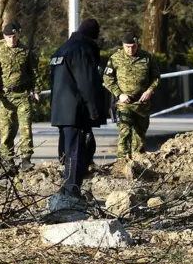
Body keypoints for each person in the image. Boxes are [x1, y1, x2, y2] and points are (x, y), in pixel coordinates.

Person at [49, 18, 106, 202]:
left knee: (68, 150)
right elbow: (87, 82)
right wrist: (95, 111)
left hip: (61, 110)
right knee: (77, 150)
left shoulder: (62, 49)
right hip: (76, 111)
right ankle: (71, 191)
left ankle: (68, 187)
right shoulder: (81, 50)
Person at [0, 22, 41, 173]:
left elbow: (34, 73)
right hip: (5, 96)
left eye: (14, 36)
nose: (12, 40)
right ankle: (8, 160)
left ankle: (26, 160)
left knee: (26, 128)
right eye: (9, 37)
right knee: (7, 129)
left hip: (22, 95)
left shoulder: (25, 51)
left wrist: (36, 91)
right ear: (4, 37)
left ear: (19, 35)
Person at [103, 31, 160, 160]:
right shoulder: (115, 58)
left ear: (137, 45)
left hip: (142, 104)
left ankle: (137, 161)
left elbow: (156, 77)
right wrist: (119, 94)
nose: (130, 49)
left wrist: (150, 91)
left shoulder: (146, 58)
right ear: (123, 45)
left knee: (139, 135)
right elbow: (108, 80)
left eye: (133, 46)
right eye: (127, 47)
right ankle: (122, 160)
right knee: (125, 131)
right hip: (124, 103)